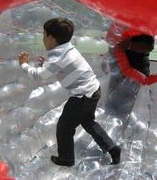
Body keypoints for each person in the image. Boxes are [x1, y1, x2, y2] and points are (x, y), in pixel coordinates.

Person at [18, 18, 121, 167]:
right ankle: (112, 148)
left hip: (82, 96)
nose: (43, 39)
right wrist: (45, 65)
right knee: (88, 122)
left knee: (64, 127)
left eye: (44, 35)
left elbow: (38, 76)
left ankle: (66, 159)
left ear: (51, 38)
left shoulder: (56, 56)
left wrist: (24, 64)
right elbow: (60, 67)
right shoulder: (68, 47)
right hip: (93, 89)